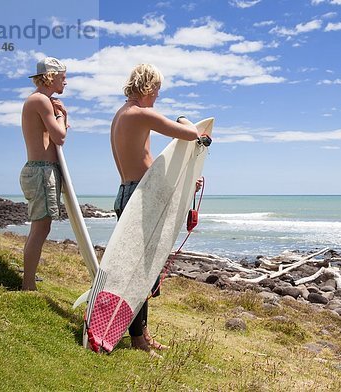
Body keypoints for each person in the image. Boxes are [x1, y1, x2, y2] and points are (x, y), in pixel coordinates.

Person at [111, 63, 201, 356]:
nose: (158, 95)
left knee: (144, 270)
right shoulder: (141, 113)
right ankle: (137, 340)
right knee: (139, 272)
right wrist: (185, 120)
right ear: (147, 86)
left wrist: (187, 181)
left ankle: (143, 335)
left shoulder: (121, 115)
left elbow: (147, 161)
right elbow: (191, 134)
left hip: (127, 192)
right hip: (139, 197)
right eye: (157, 89)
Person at [19, 57, 68, 291]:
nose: (65, 81)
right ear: (51, 76)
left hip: (42, 169)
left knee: (40, 227)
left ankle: (28, 281)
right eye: (63, 76)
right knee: (40, 228)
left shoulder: (41, 100)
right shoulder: (41, 100)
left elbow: (57, 137)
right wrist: (61, 115)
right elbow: (60, 136)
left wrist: (61, 116)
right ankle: (28, 285)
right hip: (41, 171)